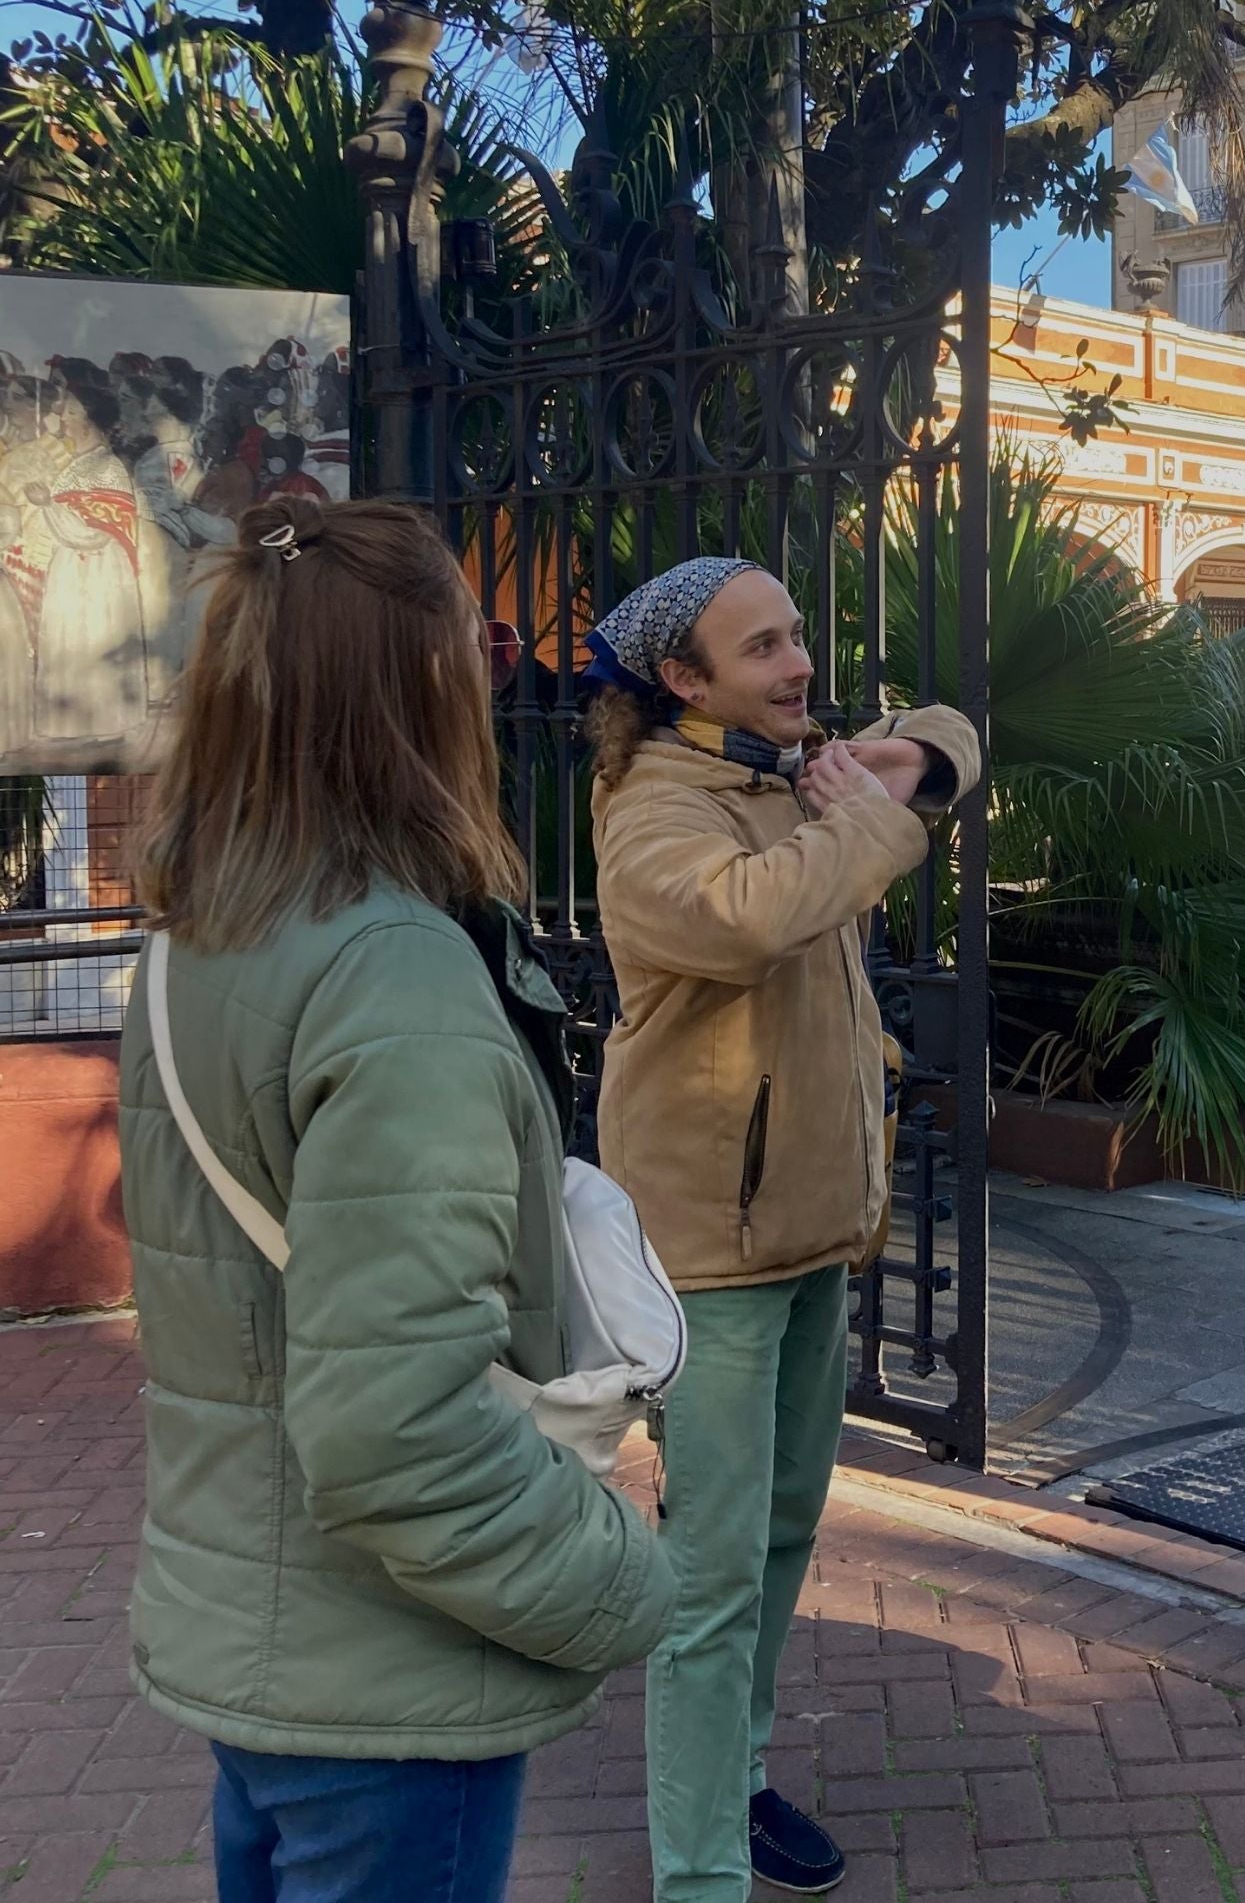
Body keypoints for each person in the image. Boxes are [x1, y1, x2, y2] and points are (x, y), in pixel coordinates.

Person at [118, 497, 678, 1903]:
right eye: (483, 647)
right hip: (388, 1676)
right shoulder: (392, 977)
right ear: (420, 689)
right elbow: (394, 1429)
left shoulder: (206, 933)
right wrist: (624, 1580)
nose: (500, 677)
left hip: (264, 1636)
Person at [584, 554, 980, 1901]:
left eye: (797, 636)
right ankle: (697, 1871)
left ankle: (737, 1779)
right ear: (681, 680)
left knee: (781, 1532)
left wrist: (903, 761)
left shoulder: (780, 774)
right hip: (709, 1251)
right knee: (708, 1580)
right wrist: (864, 807)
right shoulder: (651, 810)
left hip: (812, 1226)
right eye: (760, 649)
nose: (797, 664)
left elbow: (954, 735)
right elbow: (753, 918)